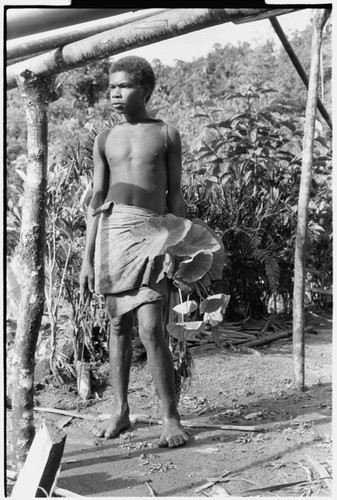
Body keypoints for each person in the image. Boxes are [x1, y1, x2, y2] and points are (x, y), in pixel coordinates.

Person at [79, 56, 189, 448]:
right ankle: (121, 409)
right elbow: (96, 200)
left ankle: (170, 417)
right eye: (111, 87)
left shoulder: (166, 134)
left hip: (152, 234)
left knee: (150, 327)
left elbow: (174, 193)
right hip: (112, 233)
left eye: (123, 85)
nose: (114, 93)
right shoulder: (105, 139)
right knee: (117, 326)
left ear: (145, 89)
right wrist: (87, 257)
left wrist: (178, 242)